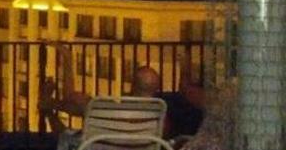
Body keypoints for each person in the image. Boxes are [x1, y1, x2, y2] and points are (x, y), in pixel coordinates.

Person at [38, 44, 205, 140]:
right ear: (157, 89)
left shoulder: (109, 108)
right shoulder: (161, 118)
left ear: (132, 86)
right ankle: (48, 105)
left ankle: (47, 109)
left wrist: (67, 58)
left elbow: (70, 97)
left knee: (68, 135)